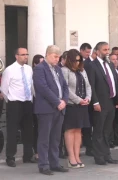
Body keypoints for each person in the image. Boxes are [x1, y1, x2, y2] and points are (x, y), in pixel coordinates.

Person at [33, 45, 69, 175]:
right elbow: (42, 88)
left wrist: (64, 100)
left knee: (55, 138)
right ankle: (43, 165)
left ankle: (54, 163)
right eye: (55, 56)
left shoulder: (58, 69)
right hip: (46, 109)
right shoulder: (39, 69)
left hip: (59, 108)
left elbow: (65, 86)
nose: (57, 59)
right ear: (47, 55)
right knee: (44, 138)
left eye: (58, 57)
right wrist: (57, 102)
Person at [86, 41, 118, 165]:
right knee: (99, 131)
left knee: (107, 131)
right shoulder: (92, 65)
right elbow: (91, 85)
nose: (107, 52)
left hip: (111, 102)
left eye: (108, 49)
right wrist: (95, 102)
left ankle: (107, 155)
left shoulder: (110, 64)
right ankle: (98, 156)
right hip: (100, 103)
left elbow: (115, 82)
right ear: (98, 51)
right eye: (105, 50)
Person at [0, 47, 35, 167]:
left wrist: (31, 98)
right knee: (12, 132)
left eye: (27, 54)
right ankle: (10, 157)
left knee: (28, 131)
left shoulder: (29, 69)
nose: (26, 56)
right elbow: (4, 88)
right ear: (16, 56)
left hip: (27, 103)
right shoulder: (9, 70)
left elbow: (31, 85)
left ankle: (28, 155)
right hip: (14, 103)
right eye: (23, 54)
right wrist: (9, 100)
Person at [61, 49, 91, 168]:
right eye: (75, 60)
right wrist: (79, 100)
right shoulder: (65, 71)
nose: (77, 63)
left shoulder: (82, 71)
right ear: (70, 60)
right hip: (71, 105)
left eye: (79, 60)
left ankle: (77, 156)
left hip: (83, 105)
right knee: (70, 130)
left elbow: (88, 86)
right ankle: (71, 157)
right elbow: (66, 89)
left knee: (79, 130)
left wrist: (88, 98)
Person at [31, 54, 44, 162]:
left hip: (43, 103)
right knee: (37, 129)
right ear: (35, 64)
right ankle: (37, 152)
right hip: (35, 103)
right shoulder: (33, 73)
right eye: (40, 63)